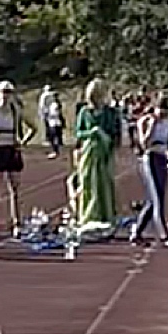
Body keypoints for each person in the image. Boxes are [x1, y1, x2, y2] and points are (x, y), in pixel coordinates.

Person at [0, 80, 34, 235]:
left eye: (9, 92)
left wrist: (23, 142)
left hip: (11, 149)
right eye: (3, 92)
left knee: (15, 189)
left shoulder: (16, 111)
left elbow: (33, 127)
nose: (6, 95)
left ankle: (16, 221)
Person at [133, 93, 168, 248]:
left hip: (161, 158)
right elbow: (144, 144)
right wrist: (151, 127)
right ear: (156, 108)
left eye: (167, 112)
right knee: (158, 198)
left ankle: (136, 233)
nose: (163, 115)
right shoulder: (145, 121)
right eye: (162, 110)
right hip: (149, 158)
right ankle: (164, 236)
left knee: (153, 200)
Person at [73, 79, 117, 228]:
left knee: (105, 183)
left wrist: (109, 143)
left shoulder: (110, 113)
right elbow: (78, 133)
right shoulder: (85, 112)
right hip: (89, 152)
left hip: (104, 151)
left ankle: (106, 216)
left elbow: (114, 132)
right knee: (88, 182)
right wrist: (91, 132)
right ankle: (88, 216)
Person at [44, 92, 65, 158]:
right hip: (53, 122)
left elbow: (58, 114)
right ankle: (55, 151)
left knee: (55, 137)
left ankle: (56, 151)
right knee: (54, 138)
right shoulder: (52, 104)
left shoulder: (56, 104)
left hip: (55, 123)